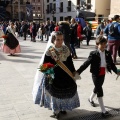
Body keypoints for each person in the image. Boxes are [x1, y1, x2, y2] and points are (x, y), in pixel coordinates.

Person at [32, 31, 80, 119]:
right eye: (58, 39)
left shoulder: (66, 49)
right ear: (53, 40)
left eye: (61, 39)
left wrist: (73, 71)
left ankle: (63, 107)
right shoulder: (50, 51)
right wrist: (48, 74)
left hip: (66, 75)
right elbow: (45, 64)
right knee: (54, 94)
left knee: (65, 92)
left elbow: (70, 62)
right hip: (54, 75)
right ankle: (55, 110)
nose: (60, 41)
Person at [76, 36, 120, 118]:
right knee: (99, 90)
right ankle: (103, 111)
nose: (104, 46)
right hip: (95, 74)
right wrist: (78, 71)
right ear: (97, 44)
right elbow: (86, 64)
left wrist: (116, 71)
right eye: (102, 44)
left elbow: (112, 64)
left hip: (103, 74)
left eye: (105, 44)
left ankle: (90, 99)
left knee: (97, 88)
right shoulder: (93, 54)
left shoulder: (107, 53)